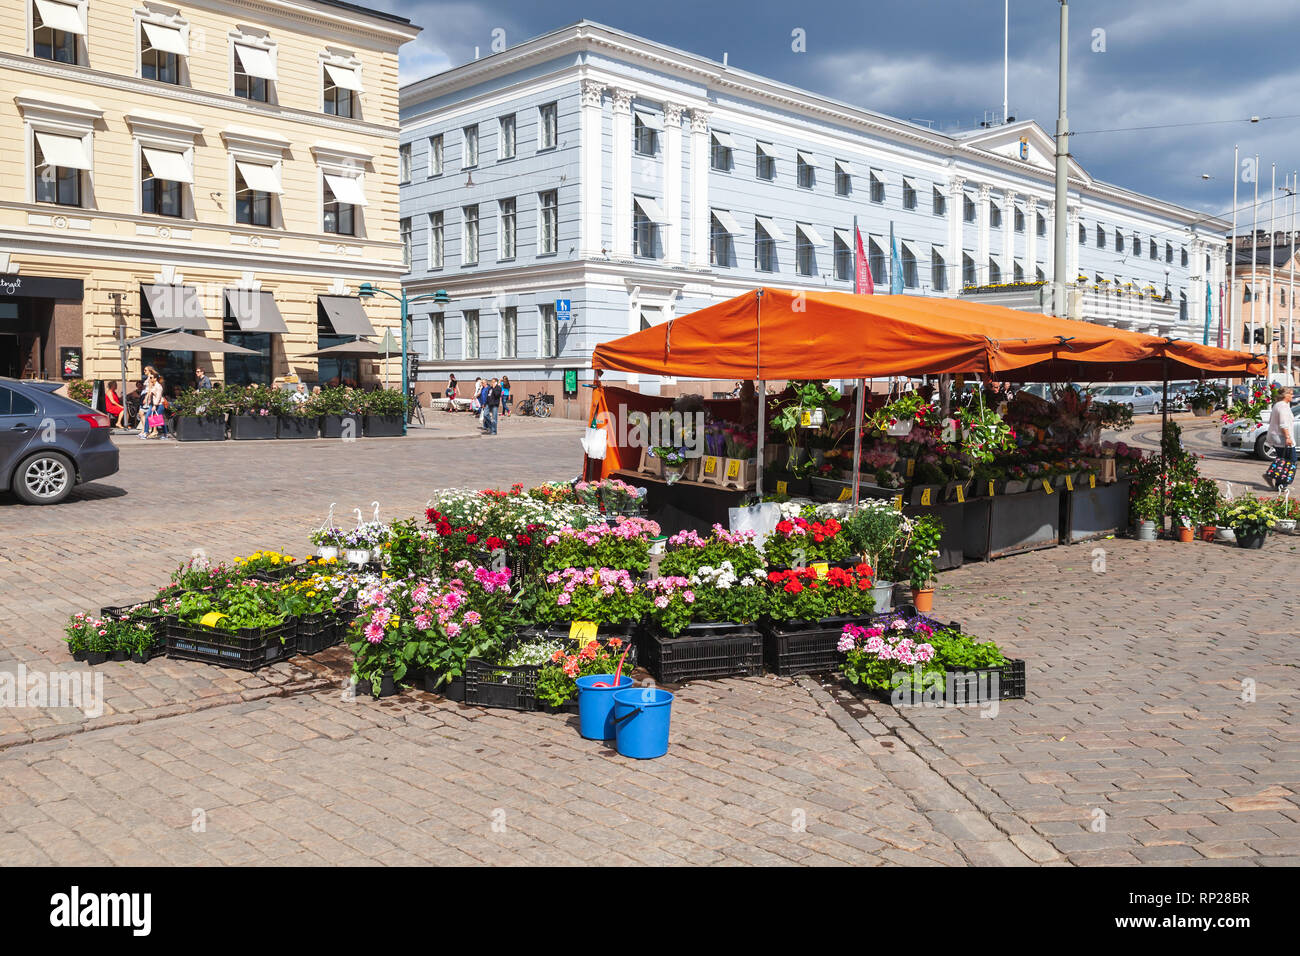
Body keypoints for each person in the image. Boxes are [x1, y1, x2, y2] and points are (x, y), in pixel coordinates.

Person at [1264, 386, 1296, 490]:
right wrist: (1287, 437)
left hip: (1277, 437)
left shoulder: (1277, 405)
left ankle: (1277, 481)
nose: (1292, 396)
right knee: (1290, 460)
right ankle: (1280, 483)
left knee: (1283, 460)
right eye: (1290, 394)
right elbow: (1283, 424)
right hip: (1282, 438)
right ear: (1285, 395)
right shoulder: (1283, 406)